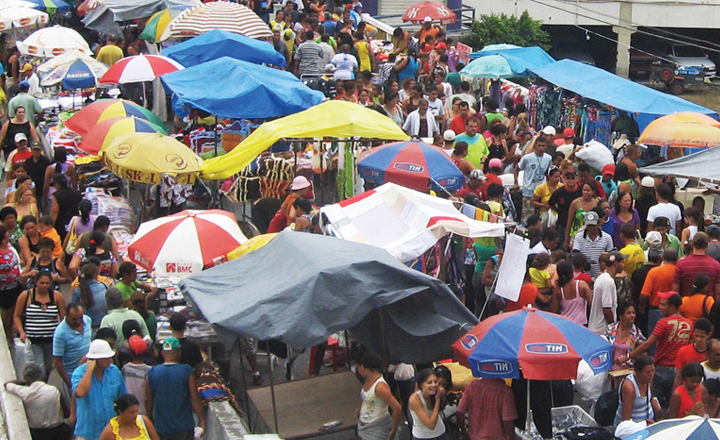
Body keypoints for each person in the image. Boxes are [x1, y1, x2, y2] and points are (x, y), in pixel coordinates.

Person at [631, 292, 692, 408]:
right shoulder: (689, 324)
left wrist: (629, 356)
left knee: (656, 405)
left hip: (661, 369)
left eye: (663, 305)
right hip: (679, 372)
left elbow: (648, 343)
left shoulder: (663, 323)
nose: (660, 307)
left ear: (673, 307)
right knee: (673, 405)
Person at [146, 337, 206, 439]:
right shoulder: (186, 371)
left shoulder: (152, 372)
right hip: (184, 426)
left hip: (161, 427)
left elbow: (148, 399)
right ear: (179, 353)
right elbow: (195, 398)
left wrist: (149, 418)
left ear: (163, 354)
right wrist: (201, 420)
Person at [14, 271, 67, 378]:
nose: (44, 286)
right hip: (33, 340)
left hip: (51, 340)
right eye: (41, 283)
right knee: (39, 367)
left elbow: (63, 318)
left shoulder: (57, 297)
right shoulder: (26, 295)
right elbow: (17, 316)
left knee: (49, 367)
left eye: (47, 283)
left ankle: (43, 383)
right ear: (36, 282)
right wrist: (21, 332)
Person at [73, 339, 128, 440]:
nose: (110, 360)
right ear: (95, 359)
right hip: (88, 433)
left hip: (112, 432)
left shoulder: (114, 371)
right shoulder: (80, 373)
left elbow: (123, 398)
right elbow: (80, 393)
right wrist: (89, 370)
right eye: (105, 358)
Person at [4, 362, 71, 440]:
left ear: (26, 379)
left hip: (37, 434)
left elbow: (7, 384)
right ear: (42, 376)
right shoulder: (55, 390)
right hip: (58, 431)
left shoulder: (25, 392)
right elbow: (67, 414)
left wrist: (24, 383)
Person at [357, 353, 402, 440]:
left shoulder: (380, 387)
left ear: (362, 367)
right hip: (365, 425)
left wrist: (393, 430)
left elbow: (397, 408)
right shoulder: (368, 380)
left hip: (378, 428)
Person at [456, 376, 517, 440]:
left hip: (474, 437)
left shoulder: (472, 386)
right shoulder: (505, 392)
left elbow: (460, 411)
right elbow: (508, 421)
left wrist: (463, 430)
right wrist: (512, 438)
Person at [53, 302, 91, 399]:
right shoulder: (60, 333)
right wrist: (69, 384)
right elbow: (57, 362)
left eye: (80, 318)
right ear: (66, 315)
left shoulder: (87, 320)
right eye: (74, 319)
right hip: (73, 376)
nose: (78, 322)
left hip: (89, 372)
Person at [614, 354, 660, 429]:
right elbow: (626, 421)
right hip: (633, 430)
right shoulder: (629, 388)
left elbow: (651, 398)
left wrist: (660, 416)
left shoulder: (648, 380)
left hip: (648, 426)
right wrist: (642, 426)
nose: (651, 374)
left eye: (653, 370)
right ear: (638, 372)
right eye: (647, 372)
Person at [641, 249, 679, 336]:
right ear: (677, 259)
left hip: (656, 310)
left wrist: (641, 304)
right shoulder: (678, 271)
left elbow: (644, 294)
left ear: (662, 258)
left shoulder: (654, 272)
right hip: (675, 311)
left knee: (654, 340)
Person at [516, 135, 552, 222]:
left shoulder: (548, 158)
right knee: (527, 217)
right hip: (528, 189)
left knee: (540, 217)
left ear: (546, 146)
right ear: (535, 145)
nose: (541, 148)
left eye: (543, 146)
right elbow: (517, 168)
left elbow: (547, 173)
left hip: (541, 190)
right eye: (539, 145)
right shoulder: (527, 158)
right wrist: (516, 182)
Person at [673, 232, 720, 298]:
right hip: (708, 306)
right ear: (707, 245)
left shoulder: (681, 264)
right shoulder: (715, 265)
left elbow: (675, 290)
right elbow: (718, 292)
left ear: (692, 244)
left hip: (686, 305)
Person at [589, 250, 624, 334]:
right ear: (615, 263)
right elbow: (607, 310)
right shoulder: (608, 282)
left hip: (597, 328)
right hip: (602, 331)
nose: (624, 265)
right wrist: (613, 329)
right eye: (622, 262)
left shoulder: (603, 278)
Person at [572, 211, 615, 279]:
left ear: (598, 223)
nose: (591, 228)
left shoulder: (607, 237)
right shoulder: (579, 237)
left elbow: (611, 256)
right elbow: (575, 254)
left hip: (602, 276)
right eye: (589, 225)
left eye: (593, 225)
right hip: (584, 275)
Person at [606, 301, 646, 371]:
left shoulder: (637, 334)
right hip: (609, 371)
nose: (632, 315)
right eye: (629, 313)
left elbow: (643, 353)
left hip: (628, 371)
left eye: (633, 313)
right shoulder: (610, 329)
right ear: (621, 315)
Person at [673, 318, 711, 390]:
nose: (698, 339)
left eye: (702, 336)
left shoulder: (713, 352)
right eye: (696, 336)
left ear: (708, 335)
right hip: (687, 390)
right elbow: (678, 377)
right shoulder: (683, 351)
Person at [408, 369, 446, 440]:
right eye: (429, 382)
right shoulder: (414, 399)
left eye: (435, 382)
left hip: (440, 433)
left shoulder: (437, 392)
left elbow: (443, 391)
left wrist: (441, 390)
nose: (433, 385)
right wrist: (438, 400)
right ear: (421, 385)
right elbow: (431, 425)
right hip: (423, 436)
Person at [552, 261, 592, 325]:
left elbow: (554, 311)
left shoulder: (558, 290)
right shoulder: (582, 285)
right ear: (572, 271)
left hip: (565, 323)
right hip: (581, 323)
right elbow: (591, 304)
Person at [72, 261, 109, 329]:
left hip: (86, 328)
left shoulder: (78, 290)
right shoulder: (104, 286)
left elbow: (72, 309)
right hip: (105, 326)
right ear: (95, 275)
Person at [0, 224, 21, 340]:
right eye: (7, 235)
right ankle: (7, 332)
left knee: (15, 308)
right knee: (6, 311)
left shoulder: (11, 248)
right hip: (3, 287)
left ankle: (13, 328)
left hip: (15, 284)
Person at [122, 336, 153, 416]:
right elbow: (148, 396)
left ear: (130, 353)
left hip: (128, 411)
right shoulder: (150, 370)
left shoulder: (125, 368)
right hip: (143, 411)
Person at [49, 174, 82, 244]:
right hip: (74, 221)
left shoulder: (56, 195)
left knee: (64, 242)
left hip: (61, 223)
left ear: (57, 184)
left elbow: (54, 211)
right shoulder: (77, 193)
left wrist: (51, 226)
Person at [168, 312, 203, 377]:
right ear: (185, 327)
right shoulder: (193, 346)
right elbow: (198, 371)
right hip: (189, 384)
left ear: (170, 327)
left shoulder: (165, 346)